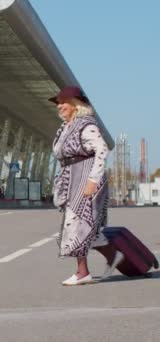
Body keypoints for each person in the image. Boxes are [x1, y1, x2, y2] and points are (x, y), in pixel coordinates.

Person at [50, 86, 120, 286]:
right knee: (87, 228)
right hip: (71, 178)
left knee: (78, 225)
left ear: (75, 104)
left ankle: (83, 272)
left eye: (63, 102)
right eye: (59, 103)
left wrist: (92, 181)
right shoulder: (66, 127)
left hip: (85, 178)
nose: (60, 106)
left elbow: (102, 150)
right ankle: (113, 256)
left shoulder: (86, 125)